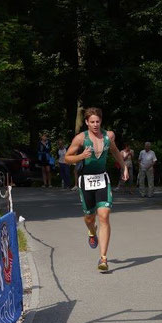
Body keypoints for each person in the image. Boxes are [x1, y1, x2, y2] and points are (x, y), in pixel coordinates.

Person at [65, 107, 129, 272]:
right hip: (86, 181)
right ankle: (91, 232)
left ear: (101, 121)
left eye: (97, 121)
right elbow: (66, 158)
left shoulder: (108, 137)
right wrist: (81, 156)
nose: (95, 124)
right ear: (86, 122)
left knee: (104, 216)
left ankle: (103, 258)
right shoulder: (80, 138)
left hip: (102, 179)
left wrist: (124, 168)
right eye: (92, 122)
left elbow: (115, 152)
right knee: (89, 217)